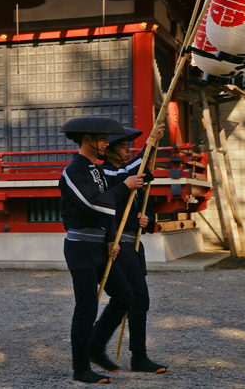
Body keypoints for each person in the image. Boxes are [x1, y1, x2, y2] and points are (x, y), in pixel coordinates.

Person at [59, 117, 145, 384]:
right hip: (80, 247)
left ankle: (96, 345)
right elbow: (92, 204)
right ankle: (80, 368)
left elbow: (109, 211)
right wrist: (125, 186)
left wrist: (110, 237)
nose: (107, 143)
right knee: (86, 307)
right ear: (87, 141)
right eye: (102, 139)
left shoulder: (94, 169)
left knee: (124, 295)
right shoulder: (74, 170)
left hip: (99, 245)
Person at [96, 124, 169, 374]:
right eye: (124, 146)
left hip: (133, 242)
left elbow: (141, 205)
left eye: (130, 147)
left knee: (131, 299)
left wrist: (147, 219)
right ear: (110, 151)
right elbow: (126, 177)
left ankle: (96, 344)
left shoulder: (128, 173)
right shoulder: (104, 174)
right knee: (137, 297)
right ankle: (137, 356)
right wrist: (150, 143)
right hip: (116, 242)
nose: (129, 150)